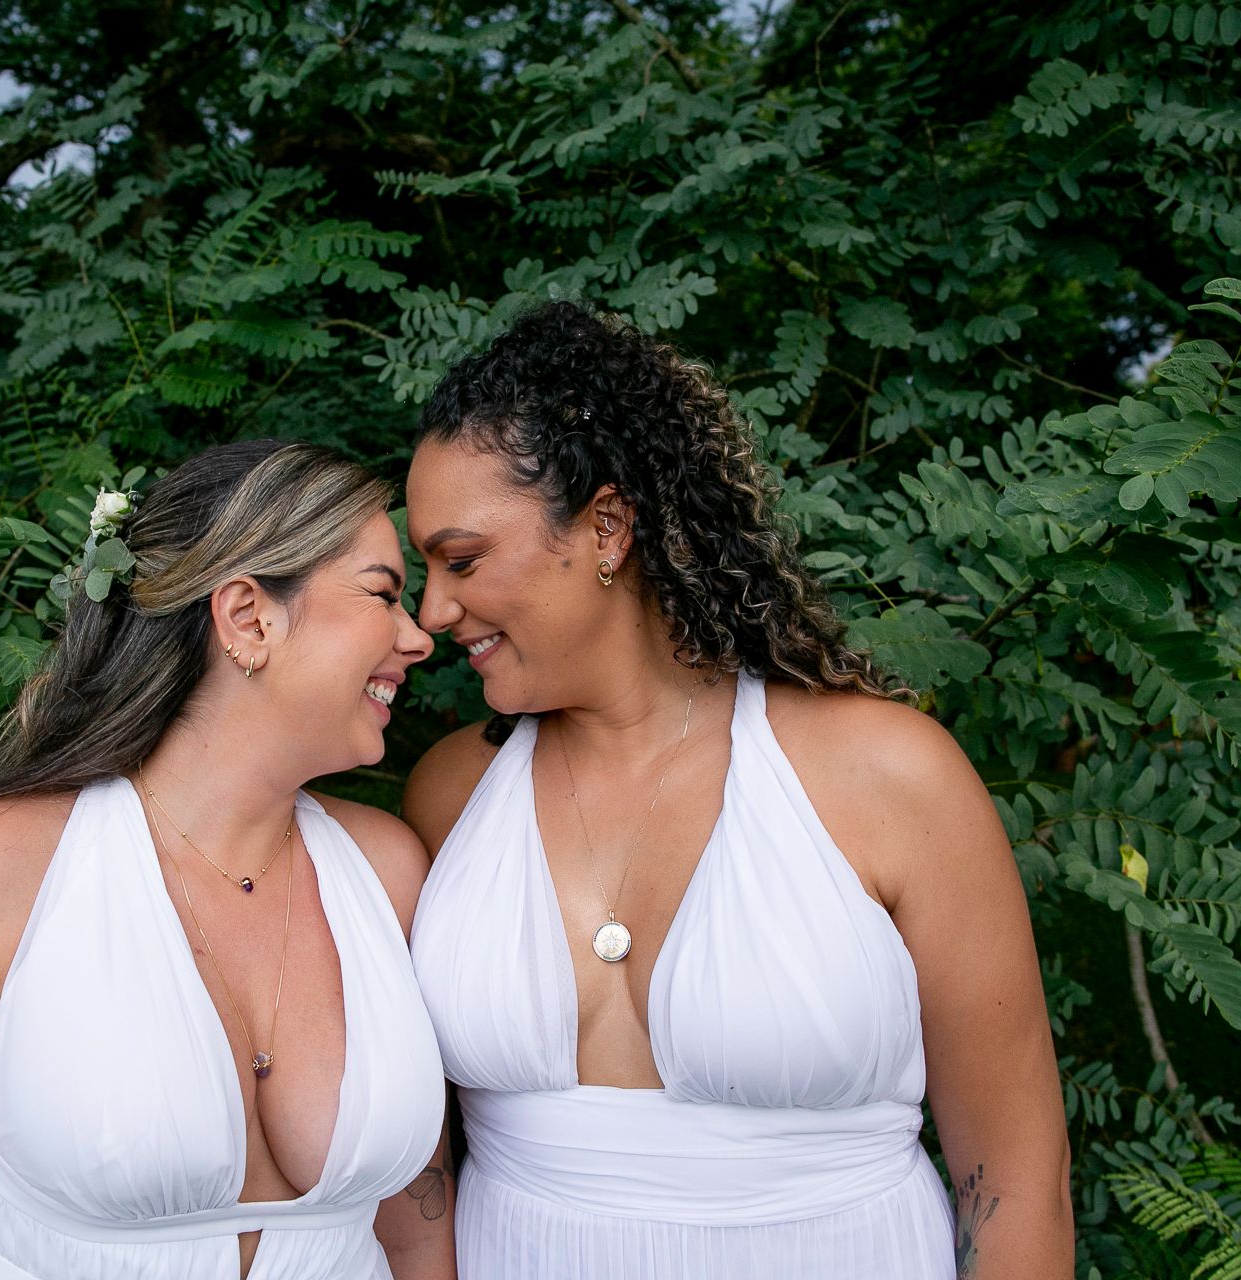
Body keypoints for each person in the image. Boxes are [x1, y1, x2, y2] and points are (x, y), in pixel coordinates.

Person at [402, 302, 1073, 1278]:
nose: (432, 610)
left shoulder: (888, 774)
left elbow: (1014, 1178)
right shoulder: (450, 793)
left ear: (607, 525)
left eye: (461, 559)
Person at [0, 441, 456, 1280]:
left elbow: (418, 1232)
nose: (418, 639)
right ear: (248, 617)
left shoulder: (386, 871)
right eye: (384, 595)